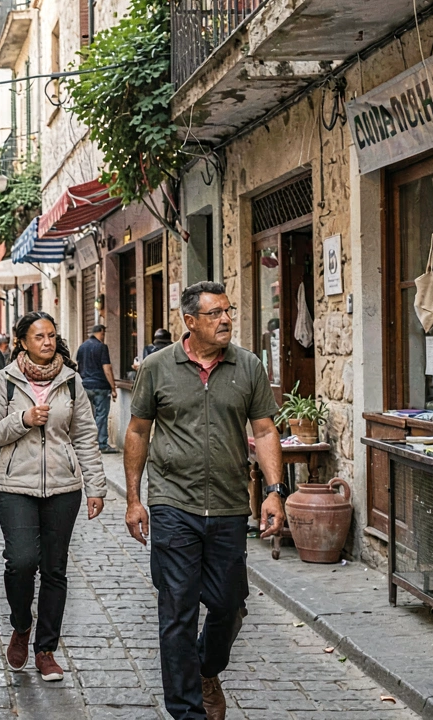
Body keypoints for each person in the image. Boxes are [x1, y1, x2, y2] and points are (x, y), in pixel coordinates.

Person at [123, 281, 286, 720]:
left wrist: (274, 491)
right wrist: (134, 500)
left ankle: (206, 668)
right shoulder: (157, 367)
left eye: (228, 311)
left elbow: (265, 430)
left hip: (230, 505)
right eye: (215, 314)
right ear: (190, 321)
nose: (226, 320)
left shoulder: (247, 366)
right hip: (173, 503)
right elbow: (137, 431)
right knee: (177, 609)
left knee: (229, 605)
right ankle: (187, 711)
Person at [0, 311, 106, 681]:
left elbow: (85, 436)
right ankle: (21, 625)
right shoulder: (5, 380)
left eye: (51, 335)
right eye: (39, 336)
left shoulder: (71, 381)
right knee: (20, 561)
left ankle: (45, 649)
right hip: (15, 486)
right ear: (22, 342)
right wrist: (23, 420)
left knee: (54, 568)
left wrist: (96, 486)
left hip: (64, 488)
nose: (47, 342)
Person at [75, 324, 118, 455]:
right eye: (103, 334)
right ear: (101, 332)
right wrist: (113, 387)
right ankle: (101, 444)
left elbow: (78, 366)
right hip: (100, 386)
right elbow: (107, 368)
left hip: (86, 386)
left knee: (87, 417)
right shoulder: (101, 347)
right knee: (101, 416)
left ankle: (87, 443)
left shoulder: (82, 347)